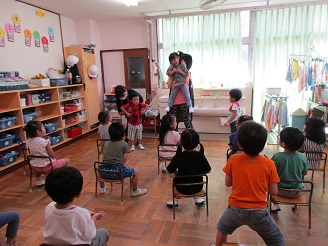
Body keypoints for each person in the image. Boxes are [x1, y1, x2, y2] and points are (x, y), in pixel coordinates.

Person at [216, 121, 285, 246]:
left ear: (240, 144)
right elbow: (274, 192)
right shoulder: (269, 164)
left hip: (235, 210)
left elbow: (228, 183)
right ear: (263, 144)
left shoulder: (233, 159)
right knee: (277, 240)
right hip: (259, 212)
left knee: (222, 229)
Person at [44, 166, 109, 245]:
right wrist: (93, 219)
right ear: (78, 194)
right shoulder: (81, 213)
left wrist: (85, 213)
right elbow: (90, 235)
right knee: (103, 232)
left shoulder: (49, 208)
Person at [98, 122, 147, 197]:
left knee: (100, 167)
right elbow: (124, 158)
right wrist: (122, 166)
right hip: (117, 172)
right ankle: (135, 190)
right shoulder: (124, 144)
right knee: (136, 172)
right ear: (123, 135)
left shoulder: (107, 143)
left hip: (103, 171)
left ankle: (102, 188)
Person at [166, 129, 211, 207]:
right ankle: (197, 198)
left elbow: (168, 171)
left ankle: (175, 200)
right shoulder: (200, 156)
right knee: (193, 177)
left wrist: (176, 172)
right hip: (197, 187)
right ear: (197, 143)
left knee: (175, 179)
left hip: (181, 187)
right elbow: (208, 170)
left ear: (182, 142)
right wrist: (198, 172)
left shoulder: (179, 156)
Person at [271, 127, 308, 213]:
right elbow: (304, 173)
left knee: (271, 182)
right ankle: (295, 204)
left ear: (283, 143)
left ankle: (275, 205)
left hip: (278, 190)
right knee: (301, 182)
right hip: (296, 192)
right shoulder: (303, 157)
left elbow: (272, 173)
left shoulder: (277, 156)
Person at [23, 120, 71, 186]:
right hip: (47, 167)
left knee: (37, 161)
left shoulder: (28, 142)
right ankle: (64, 180)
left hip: (35, 167)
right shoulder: (45, 141)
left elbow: (31, 154)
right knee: (67, 160)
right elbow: (52, 155)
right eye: (43, 128)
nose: (45, 129)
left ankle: (39, 180)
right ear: (38, 132)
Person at [167, 52, 194, 130]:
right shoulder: (173, 73)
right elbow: (169, 86)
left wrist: (175, 84)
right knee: (174, 122)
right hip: (174, 102)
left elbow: (185, 81)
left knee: (187, 122)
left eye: (183, 61)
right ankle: (175, 139)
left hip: (184, 102)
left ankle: (192, 139)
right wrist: (172, 74)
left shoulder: (187, 73)